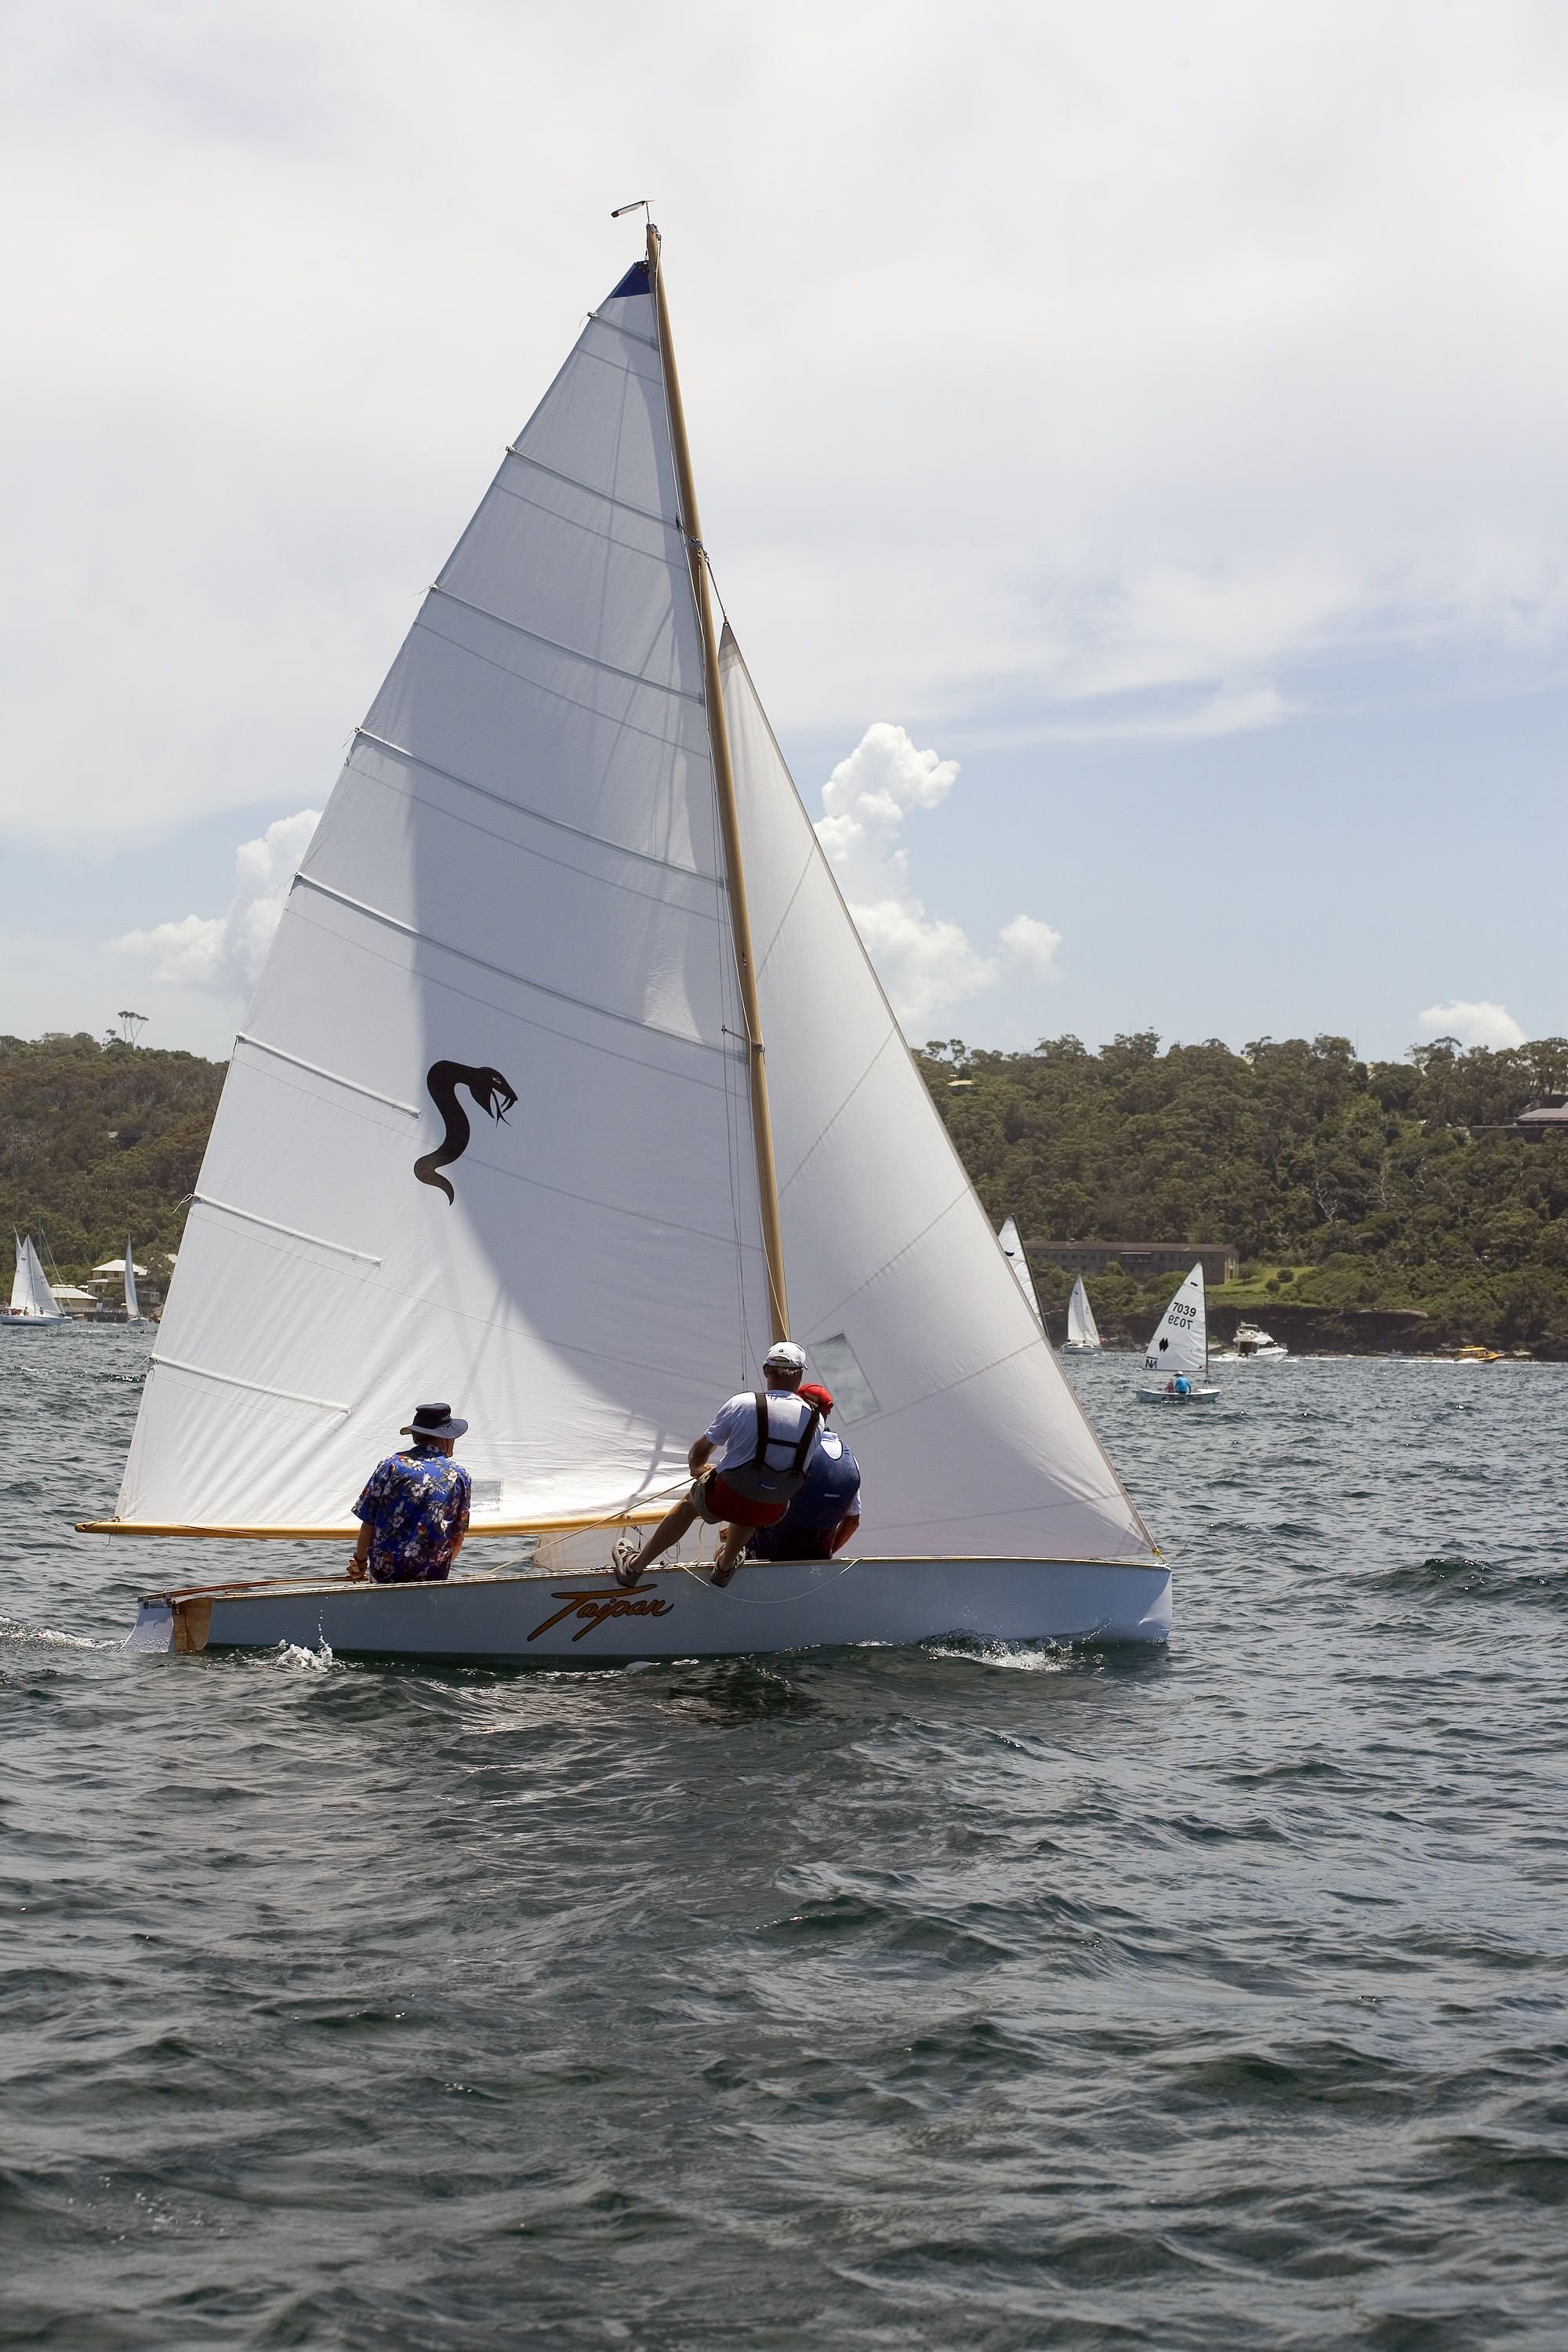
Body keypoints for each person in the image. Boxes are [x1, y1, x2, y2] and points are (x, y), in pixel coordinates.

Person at [613, 1341, 823, 1589]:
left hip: (729, 1496)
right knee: (756, 1500)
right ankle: (724, 1566)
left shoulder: (743, 1403)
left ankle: (634, 1567)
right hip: (773, 1509)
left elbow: (700, 1451)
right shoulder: (815, 1419)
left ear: (766, 1370)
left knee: (689, 1506)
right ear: (799, 1374)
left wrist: (698, 1468)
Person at [348, 1401, 472, 1584]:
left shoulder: (390, 1465)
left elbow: (368, 1521)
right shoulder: (459, 1476)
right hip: (431, 1578)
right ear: (445, 1439)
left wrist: (360, 1562)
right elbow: (457, 1538)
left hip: (384, 1576)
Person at [746, 1383, 861, 1562]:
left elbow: (761, 1499)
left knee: (726, 1550)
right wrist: (827, 1553)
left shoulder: (794, 1450)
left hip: (771, 1554)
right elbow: (852, 1521)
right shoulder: (850, 1458)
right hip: (817, 1558)